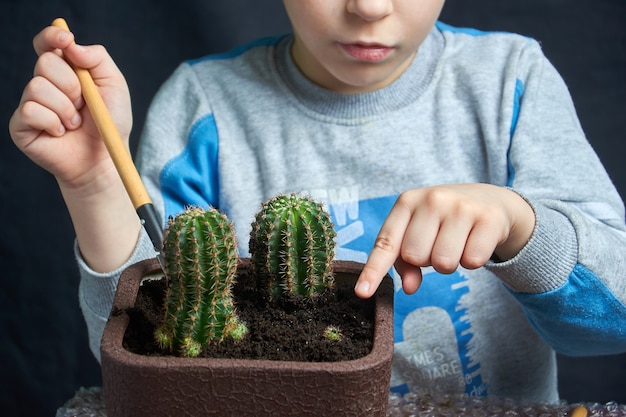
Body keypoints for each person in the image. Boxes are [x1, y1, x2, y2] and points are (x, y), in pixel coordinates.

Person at [10, 0, 626, 404]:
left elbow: (614, 323)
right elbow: (144, 369)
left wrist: (522, 228)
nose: (369, 8)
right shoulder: (204, 107)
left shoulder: (510, 81)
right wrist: (94, 184)